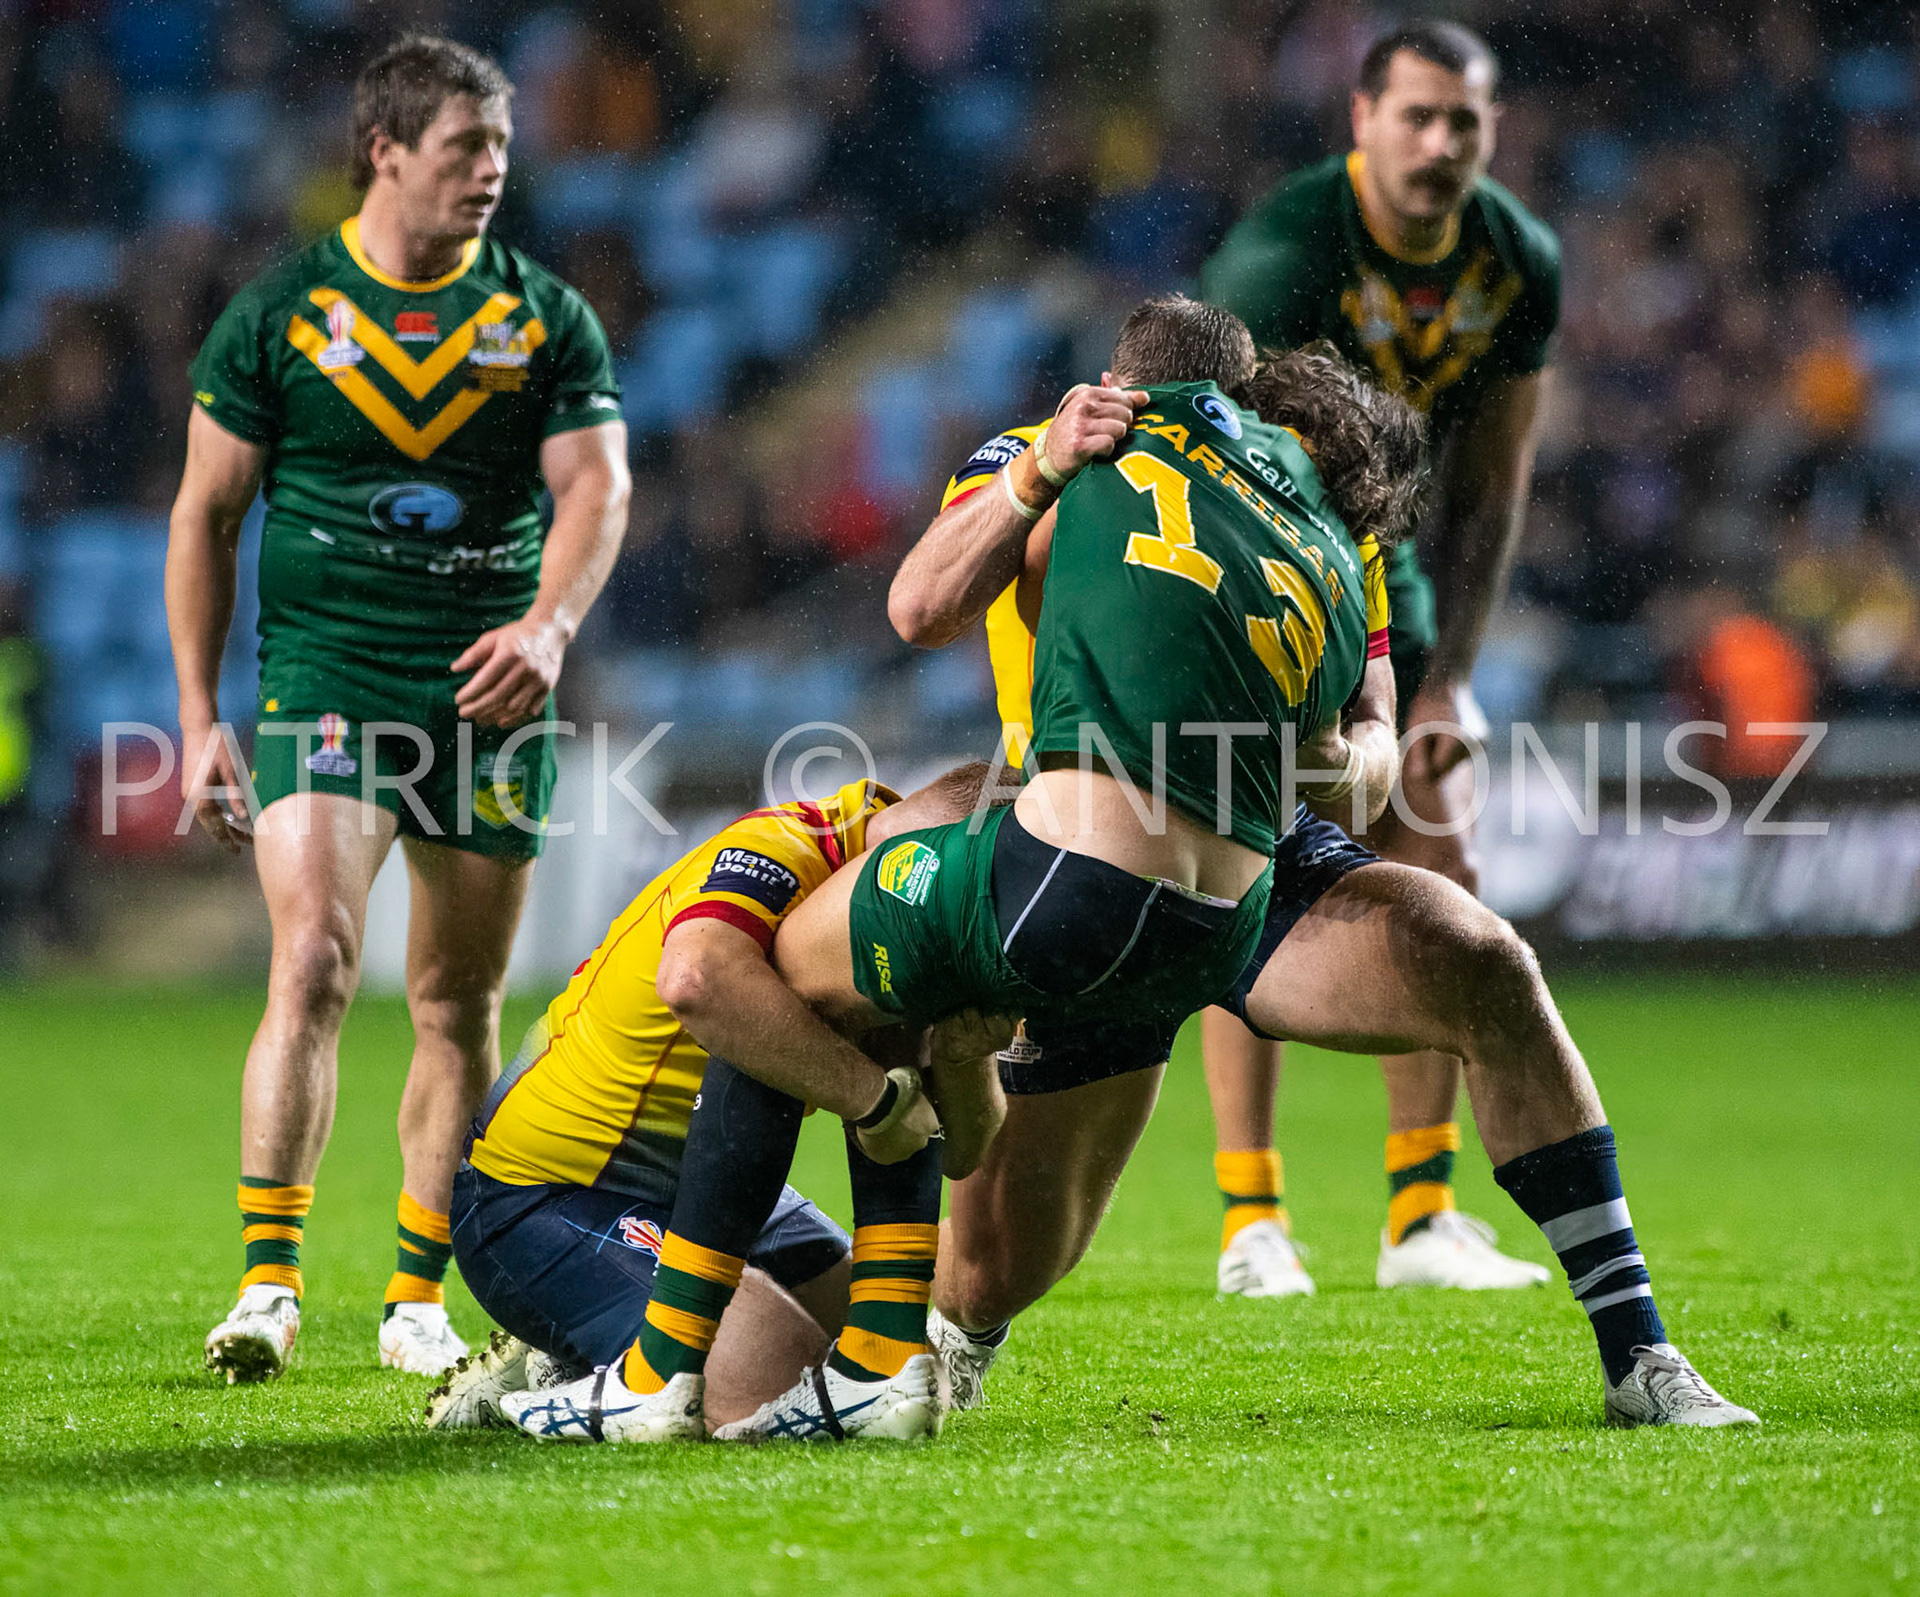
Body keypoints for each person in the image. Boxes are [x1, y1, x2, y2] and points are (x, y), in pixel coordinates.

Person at [890, 311, 1754, 1427]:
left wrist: (1332, 754)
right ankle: (929, 1349)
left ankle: (1639, 1354)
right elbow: (925, 607)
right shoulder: (1034, 453)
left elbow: (1374, 756)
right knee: (997, 1265)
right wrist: (1047, 469)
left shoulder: (1319, 516)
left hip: (1263, 849)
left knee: (1482, 960)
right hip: (1080, 838)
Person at [170, 35, 630, 1381]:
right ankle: (268, 1283)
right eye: (463, 148)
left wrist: (548, 627)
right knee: (311, 960)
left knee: (458, 998)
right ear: (384, 149)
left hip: (487, 692)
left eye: (500, 147)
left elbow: (597, 488)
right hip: (327, 675)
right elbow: (204, 516)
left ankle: (417, 1290)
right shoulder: (281, 315)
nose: (491, 171)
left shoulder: (543, 316)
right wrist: (199, 711)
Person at [1196, 19, 1560, 1292]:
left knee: (1440, 849)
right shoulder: (1288, 249)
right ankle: (1252, 1221)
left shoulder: (1518, 260)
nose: (1441, 143)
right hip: (1267, 562)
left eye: (1465, 120)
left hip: (1388, 571)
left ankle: (1419, 1216)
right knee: (1244, 866)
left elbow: (1493, 491)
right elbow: (1208, 450)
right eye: (1417, 115)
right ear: (1363, 119)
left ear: (1491, 129)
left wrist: (1448, 674)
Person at [431, 768, 1005, 1442]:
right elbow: (697, 980)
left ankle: (589, 1333)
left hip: (719, 1184)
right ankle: (566, 1364)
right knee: (771, 1384)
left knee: (871, 1371)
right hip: (548, 1190)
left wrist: (962, 1052)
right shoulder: (787, 847)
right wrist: (876, 1101)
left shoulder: (928, 911)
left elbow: (963, 1149)